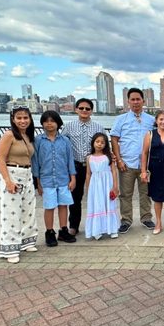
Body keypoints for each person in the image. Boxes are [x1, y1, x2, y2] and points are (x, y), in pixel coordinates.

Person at [110, 87, 155, 234]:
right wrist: (119, 160)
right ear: (128, 101)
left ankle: (146, 218)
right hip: (127, 164)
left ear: (143, 101)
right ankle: (126, 220)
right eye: (132, 99)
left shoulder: (151, 120)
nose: (135, 102)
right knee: (125, 194)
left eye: (138, 99)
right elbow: (114, 139)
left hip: (145, 165)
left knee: (146, 193)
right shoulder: (120, 119)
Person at [0, 106, 38, 263]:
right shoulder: (9, 135)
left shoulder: (27, 135)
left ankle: (27, 240)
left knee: (28, 209)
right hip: (13, 173)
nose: (23, 121)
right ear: (13, 119)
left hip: (27, 174)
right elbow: (0, 159)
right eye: (19, 118)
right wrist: (8, 181)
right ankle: (10, 248)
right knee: (11, 213)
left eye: (26, 118)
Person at [61, 98, 105, 237]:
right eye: (81, 108)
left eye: (87, 109)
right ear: (76, 110)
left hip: (96, 167)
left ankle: (101, 225)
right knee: (75, 197)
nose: (84, 111)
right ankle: (74, 226)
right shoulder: (69, 126)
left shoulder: (98, 127)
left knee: (99, 195)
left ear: (91, 111)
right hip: (77, 166)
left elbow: (105, 146)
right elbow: (62, 145)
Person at [32, 111, 76, 247]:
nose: (49, 124)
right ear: (42, 123)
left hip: (63, 179)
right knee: (49, 206)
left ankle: (63, 230)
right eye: (46, 121)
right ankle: (49, 232)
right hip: (46, 180)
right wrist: (38, 182)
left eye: (52, 121)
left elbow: (70, 160)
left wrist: (72, 178)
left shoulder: (65, 140)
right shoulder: (38, 140)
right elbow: (35, 163)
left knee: (64, 205)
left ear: (58, 123)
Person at [84, 133, 120, 240]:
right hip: (95, 186)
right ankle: (97, 230)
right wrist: (88, 187)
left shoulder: (108, 156)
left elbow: (114, 171)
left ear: (105, 145)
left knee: (109, 204)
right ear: (93, 143)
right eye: (97, 142)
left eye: (102, 142)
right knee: (97, 205)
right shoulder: (89, 157)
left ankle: (112, 229)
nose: (99, 144)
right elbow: (88, 173)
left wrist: (115, 186)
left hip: (107, 184)